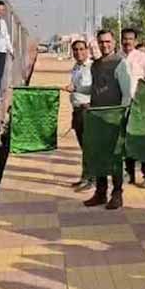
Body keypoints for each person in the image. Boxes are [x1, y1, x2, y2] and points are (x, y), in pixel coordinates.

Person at [72, 30, 131, 210]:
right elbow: (95, 88)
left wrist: (123, 115)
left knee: (115, 157)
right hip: (97, 118)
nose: (104, 45)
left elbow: (127, 93)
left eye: (107, 41)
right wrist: (77, 89)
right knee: (97, 155)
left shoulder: (120, 63)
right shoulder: (95, 65)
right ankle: (100, 192)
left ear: (114, 42)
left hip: (113, 118)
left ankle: (117, 194)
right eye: (101, 42)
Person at [120, 28, 145, 187]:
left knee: (142, 139)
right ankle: (129, 173)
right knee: (126, 140)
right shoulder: (118, 58)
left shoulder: (143, 58)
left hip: (141, 105)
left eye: (130, 39)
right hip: (123, 105)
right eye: (124, 39)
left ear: (135, 41)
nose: (127, 42)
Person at [64, 40, 94, 191]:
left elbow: (94, 88)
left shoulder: (92, 67)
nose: (78, 52)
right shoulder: (76, 67)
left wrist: (76, 88)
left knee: (90, 147)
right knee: (84, 147)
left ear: (87, 50)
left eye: (82, 49)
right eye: (75, 50)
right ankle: (85, 177)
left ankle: (92, 179)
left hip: (87, 110)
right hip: (77, 110)